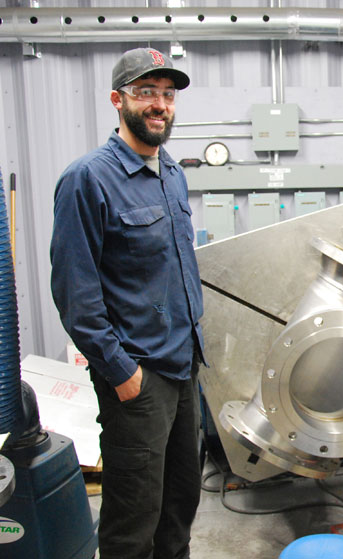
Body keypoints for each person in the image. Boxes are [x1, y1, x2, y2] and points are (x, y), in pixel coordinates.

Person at [50, 48, 205, 559]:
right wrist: (121, 372)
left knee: (180, 503)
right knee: (132, 520)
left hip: (184, 366)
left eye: (167, 94)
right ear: (118, 101)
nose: (159, 104)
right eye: (145, 93)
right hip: (138, 376)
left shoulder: (172, 175)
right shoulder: (87, 179)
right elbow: (76, 294)